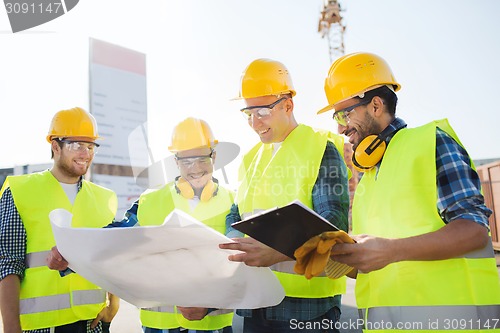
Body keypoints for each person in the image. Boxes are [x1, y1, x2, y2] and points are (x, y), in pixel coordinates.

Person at [317, 52, 500, 332]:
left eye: (344, 114)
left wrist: (391, 251)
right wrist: (340, 258)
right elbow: (379, 262)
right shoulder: (368, 176)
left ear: (375, 105)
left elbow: (474, 230)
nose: (340, 127)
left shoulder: (430, 142)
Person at [49, 117, 234, 333]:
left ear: (214, 156)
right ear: (175, 161)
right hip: (159, 327)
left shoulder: (232, 203)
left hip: (212, 327)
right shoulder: (150, 200)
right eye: (186, 161)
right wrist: (69, 254)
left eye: (202, 159)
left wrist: (210, 305)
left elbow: (241, 268)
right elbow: (114, 239)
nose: (195, 168)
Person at [219, 58, 350, 333]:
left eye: (262, 112)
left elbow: (334, 226)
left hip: (307, 308)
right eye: (248, 113)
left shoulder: (320, 147)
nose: (254, 123)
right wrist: (233, 242)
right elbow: (237, 212)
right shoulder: (251, 158)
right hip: (256, 301)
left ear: (287, 105)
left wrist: (278, 252)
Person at [0, 107, 119, 333]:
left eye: (90, 146)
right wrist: (11, 328)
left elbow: (112, 259)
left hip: (91, 325)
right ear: (55, 146)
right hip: (40, 327)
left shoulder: (106, 199)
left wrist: (113, 306)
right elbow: (7, 264)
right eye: (77, 145)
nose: (86, 153)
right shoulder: (19, 191)